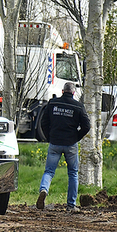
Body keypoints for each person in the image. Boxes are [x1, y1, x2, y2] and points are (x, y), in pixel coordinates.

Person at [36, 82, 90, 212]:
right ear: (73, 93)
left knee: (49, 171)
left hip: (55, 142)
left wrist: (49, 137)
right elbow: (87, 126)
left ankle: (44, 189)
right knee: (73, 173)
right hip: (70, 144)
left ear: (62, 91)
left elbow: (43, 122)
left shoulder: (53, 103)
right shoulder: (78, 106)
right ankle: (71, 205)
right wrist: (76, 137)